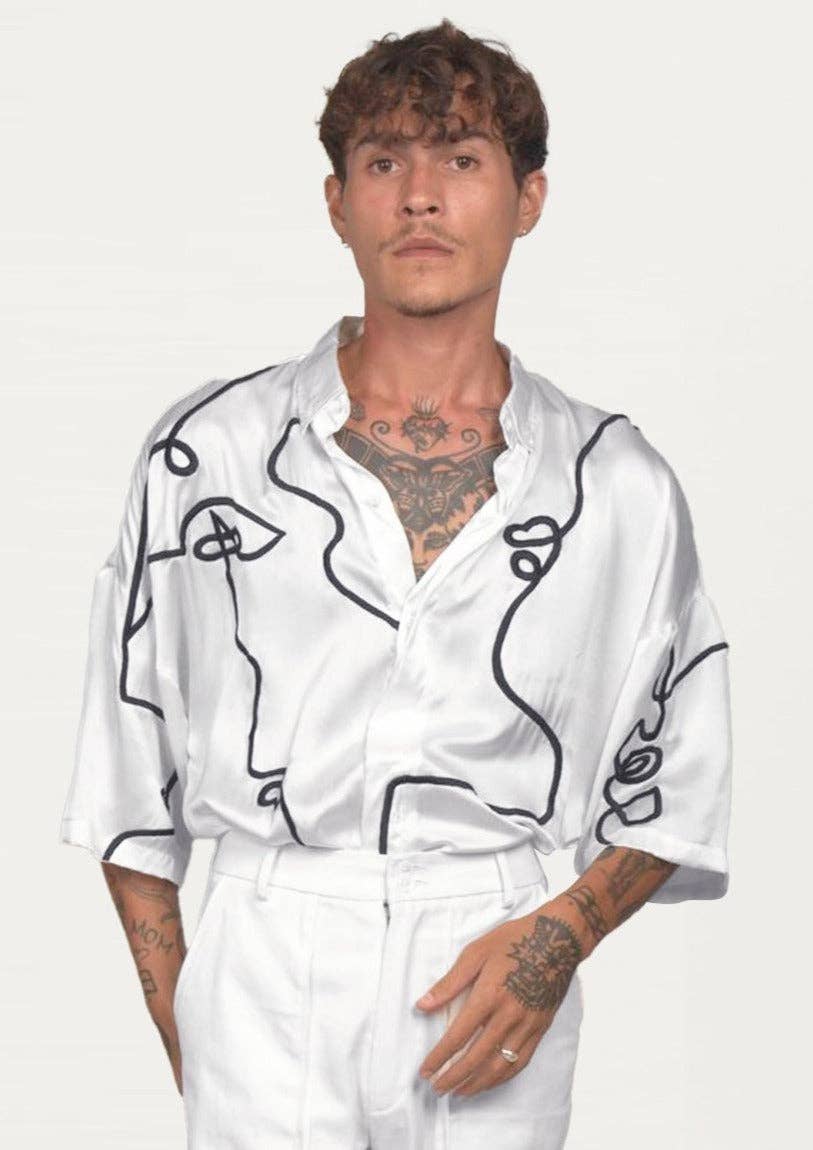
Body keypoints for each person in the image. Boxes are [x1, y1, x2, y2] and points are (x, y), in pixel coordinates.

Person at [57, 18, 733, 1150]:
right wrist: (188, 1009)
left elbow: (680, 762)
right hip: (268, 932)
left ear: (527, 198)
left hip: (491, 939)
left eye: (461, 158)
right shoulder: (208, 453)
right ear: (338, 202)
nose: (420, 197)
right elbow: (127, 750)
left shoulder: (615, 483)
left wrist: (557, 936)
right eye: (384, 162)